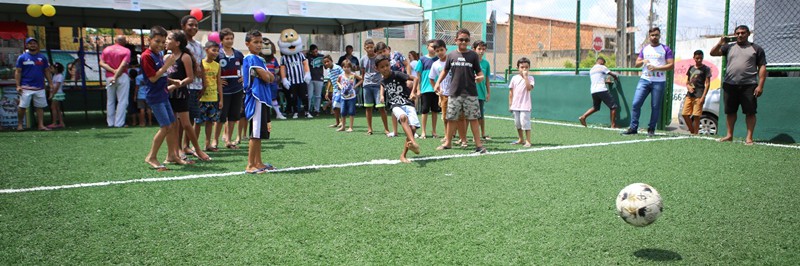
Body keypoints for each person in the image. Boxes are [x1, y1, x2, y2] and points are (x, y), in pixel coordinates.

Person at [710, 25, 766, 145]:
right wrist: (720, 43)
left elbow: (762, 66)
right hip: (730, 84)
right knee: (730, 111)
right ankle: (729, 135)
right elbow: (713, 53)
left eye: (743, 33)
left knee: (750, 112)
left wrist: (760, 85)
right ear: (735, 34)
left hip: (749, 85)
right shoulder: (728, 47)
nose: (740, 35)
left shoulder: (756, 48)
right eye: (738, 33)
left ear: (748, 34)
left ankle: (749, 138)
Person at [434, 29, 486, 153]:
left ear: (469, 41)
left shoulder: (473, 55)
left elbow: (480, 73)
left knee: (473, 119)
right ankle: (448, 143)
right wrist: (437, 83)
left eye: (466, 40)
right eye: (461, 39)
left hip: (471, 93)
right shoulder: (451, 55)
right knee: (451, 118)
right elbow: (445, 70)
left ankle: (478, 145)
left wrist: (480, 78)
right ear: (456, 40)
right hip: (454, 92)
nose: (463, 42)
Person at [165, 30, 210, 162]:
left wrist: (175, 85)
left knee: (186, 124)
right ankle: (175, 151)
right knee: (172, 124)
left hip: (181, 94)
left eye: (169, 39)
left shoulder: (185, 57)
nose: (166, 41)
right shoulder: (167, 57)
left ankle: (198, 150)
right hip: (170, 95)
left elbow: (190, 78)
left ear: (177, 43)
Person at [142, 26, 183, 171]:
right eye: (157, 41)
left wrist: (172, 82)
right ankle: (151, 157)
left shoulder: (158, 54)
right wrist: (167, 65)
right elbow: (152, 78)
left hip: (163, 94)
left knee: (172, 125)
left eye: (162, 42)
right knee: (165, 127)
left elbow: (161, 75)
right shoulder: (146, 56)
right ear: (149, 40)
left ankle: (172, 155)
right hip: (155, 96)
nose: (160, 45)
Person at [621, 27, 674, 137]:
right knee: (636, 103)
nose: (654, 37)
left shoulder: (665, 49)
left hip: (659, 82)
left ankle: (651, 129)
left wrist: (656, 68)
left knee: (655, 106)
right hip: (644, 80)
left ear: (660, 36)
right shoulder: (645, 49)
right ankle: (633, 128)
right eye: (652, 35)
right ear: (649, 36)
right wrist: (643, 61)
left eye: (656, 35)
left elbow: (671, 65)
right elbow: (636, 64)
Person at [242, 29, 276, 174]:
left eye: (260, 42)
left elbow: (271, 78)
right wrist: (266, 75)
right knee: (255, 132)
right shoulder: (251, 59)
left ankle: (258, 161)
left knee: (260, 133)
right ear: (247, 44)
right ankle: (250, 165)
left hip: (262, 98)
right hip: (256, 97)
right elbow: (268, 78)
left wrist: (266, 75)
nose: (259, 45)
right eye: (255, 42)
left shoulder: (259, 59)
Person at [376, 55, 420, 163]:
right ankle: (414, 143)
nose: (385, 68)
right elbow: (382, 88)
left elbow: (415, 78)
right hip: (395, 105)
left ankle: (403, 155)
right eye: (382, 67)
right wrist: (381, 96)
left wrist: (413, 92)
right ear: (377, 69)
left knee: (413, 129)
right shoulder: (382, 81)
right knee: (403, 117)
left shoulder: (397, 74)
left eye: (387, 65)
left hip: (408, 103)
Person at [181, 15, 207, 155]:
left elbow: (202, 65)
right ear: (183, 26)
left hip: (196, 86)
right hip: (185, 85)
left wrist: (204, 83)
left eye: (196, 25)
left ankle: (186, 146)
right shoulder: (180, 44)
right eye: (191, 25)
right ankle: (178, 148)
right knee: (182, 120)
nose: (194, 28)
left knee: (191, 118)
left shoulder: (198, 45)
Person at [215, 28, 245, 149]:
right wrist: (217, 80)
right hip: (223, 91)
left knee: (233, 116)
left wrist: (244, 77)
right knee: (220, 117)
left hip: (237, 89)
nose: (230, 41)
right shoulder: (218, 54)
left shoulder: (238, 54)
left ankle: (228, 140)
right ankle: (215, 141)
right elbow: (211, 68)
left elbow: (246, 67)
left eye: (231, 38)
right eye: (227, 38)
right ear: (221, 40)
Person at [15, 37, 52, 131]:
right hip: (25, 86)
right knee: (22, 106)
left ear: (37, 45)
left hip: (40, 87)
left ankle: (41, 125)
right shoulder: (22, 57)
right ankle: (19, 125)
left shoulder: (42, 57)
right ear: (27, 45)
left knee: (40, 107)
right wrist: (18, 85)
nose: (32, 45)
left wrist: (50, 83)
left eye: (34, 43)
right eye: (30, 43)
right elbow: (18, 72)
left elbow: (46, 71)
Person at [194, 41, 223, 152]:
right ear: (206, 50)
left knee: (210, 122)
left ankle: (207, 144)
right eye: (213, 50)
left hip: (213, 98)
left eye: (217, 50)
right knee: (197, 122)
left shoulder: (217, 65)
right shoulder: (200, 63)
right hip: (201, 98)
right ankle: (195, 145)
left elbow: (219, 82)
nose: (216, 53)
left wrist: (221, 99)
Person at [99, 35, 131, 128]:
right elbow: (123, 65)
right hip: (122, 76)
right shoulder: (126, 51)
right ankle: (119, 123)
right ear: (124, 41)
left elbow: (101, 63)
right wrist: (116, 74)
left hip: (109, 76)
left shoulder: (106, 50)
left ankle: (110, 122)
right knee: (122, 100)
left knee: (110, 100)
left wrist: (113, 72)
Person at [359, 39, 390, 136]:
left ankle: (386, 129)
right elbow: (363, 73)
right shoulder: (362, 59)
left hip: (378, 85)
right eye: (367, 48)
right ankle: (369, 129)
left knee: (381, 107)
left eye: (371, 47)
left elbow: (383, 69)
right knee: (368, 108)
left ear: (374, 48)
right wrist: (362, 82)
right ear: (364, 48)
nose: (370, 49)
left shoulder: (378, 58)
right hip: (367, 85)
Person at [579, 57, 619, 128]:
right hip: (602, 89)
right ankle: (613, 125)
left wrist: (607, 82)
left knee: (596, 107)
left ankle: (583, 117)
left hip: (594, 91)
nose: (604, 64)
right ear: (601, 62)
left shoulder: (591, 70)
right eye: (604, 63)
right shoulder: (602, 67)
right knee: (613, 107)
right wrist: (615, 77)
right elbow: (612, 74)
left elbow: (598, 80)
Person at [415, 39, 441, 139]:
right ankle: (423, 132)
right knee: (425, 110)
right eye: (432, 46)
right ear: (427, 47)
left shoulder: (439, 60)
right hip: (425, 89)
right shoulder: (422, 60)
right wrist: (418, 89)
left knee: (435, 110)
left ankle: (434, 131)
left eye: (435, 47)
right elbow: (418, 76)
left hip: (436, 89)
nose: (434, 49)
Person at [681, 50, 712, 135]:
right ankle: (692, 131)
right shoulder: (691, 68)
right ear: (694, 58)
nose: (699, 60)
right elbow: (687, 82)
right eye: (697, 58)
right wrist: (688, 87)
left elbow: (707, 84)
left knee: (696, 116)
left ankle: (695, 133)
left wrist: (703, 97)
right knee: (684, 114)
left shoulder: (706, 69)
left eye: (701, 58)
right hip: (689, 95)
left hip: (699, 95)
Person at [508, 58, 535, 147]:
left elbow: (529, 88)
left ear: (529, 68)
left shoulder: (530, 78)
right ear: (517, 68)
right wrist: (510, 104)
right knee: (517, 123)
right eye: (522, 67)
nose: (524, 69)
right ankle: (521, 139)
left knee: (525, 123)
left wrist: (526, 77)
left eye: (526, 67)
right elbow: (511, 92)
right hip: (516, 105)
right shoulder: (514, 78)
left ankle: (528, 140)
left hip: (525, 105)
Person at [429, 40, 451, 143]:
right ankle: (447, 135)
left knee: (459, 117)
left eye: (441, 50)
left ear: (446, 49)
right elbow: (431, 78)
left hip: (456, 93)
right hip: (444, 94)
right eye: (437, 51)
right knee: (445, 117)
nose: (440, 52)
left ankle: (461, 137)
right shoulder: (435, 64)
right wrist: (437, 90)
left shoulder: (452, 60)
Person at [260, 37, 286, 119]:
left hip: (272, 82)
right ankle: (264, 115)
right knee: (263, 99)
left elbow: (276, 69)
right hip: (262, 82)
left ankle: (278, 113)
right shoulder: (259, 59)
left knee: (273, 97)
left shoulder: (273, 59)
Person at [473, 40, 492, 140]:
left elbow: (487, 79)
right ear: (474, 49)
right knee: (468, 115)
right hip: (470, 93)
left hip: (480, 93)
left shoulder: (486, 64)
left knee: (480, 115)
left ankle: (483, 133)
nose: (481, 51)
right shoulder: (470, 62)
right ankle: (464, 136)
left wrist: (488, 92)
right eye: (479, 49)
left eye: (483, 49)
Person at [337, 60, 362, 132]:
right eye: (345, 67)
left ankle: (351, 127)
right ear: (342, 67)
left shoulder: (352, 75)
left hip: (351, 96)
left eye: (348, 67)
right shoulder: (341, 75)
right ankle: (343, 126)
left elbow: (361, 79)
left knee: (351, 112)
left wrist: (355, 86)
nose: (346, 68)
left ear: (350, 67)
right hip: (343, 96)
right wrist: (340, 86)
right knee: (343, 112)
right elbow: (337, 81)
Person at [323, 55, 344, 128]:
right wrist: (327, 91)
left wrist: (341, 85)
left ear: (331, 61)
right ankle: (337, 122)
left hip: (340, 89)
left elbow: (343, 76)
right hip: (335, 90)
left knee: (338, 105)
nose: (326, 63)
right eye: (325, 62)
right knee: (334, 107)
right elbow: (329, 80)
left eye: (328, 61)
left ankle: (342, 121)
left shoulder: (337, 68)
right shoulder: (328, 70)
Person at [307, 44, 325, 116]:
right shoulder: (308, 57)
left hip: (319, 78)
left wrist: (324, 63)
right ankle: (307, 110)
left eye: (316, 51)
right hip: (310, 78)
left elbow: (326, 67)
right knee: (309, 96)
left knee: (318, 96)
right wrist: (308, 52)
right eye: (313, 52)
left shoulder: (321, 57)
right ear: (311, 52)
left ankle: (317, 110)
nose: (315, 53)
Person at [47, 62, 66, 129]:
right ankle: (61, 122)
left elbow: (57, 87)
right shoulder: (55, 75)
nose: (51, 69)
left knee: (53, 108)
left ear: (56, 69)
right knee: (57, 108)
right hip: (55, 93)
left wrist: (52, 94)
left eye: (52, 68)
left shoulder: (60, 76)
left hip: (57, 94)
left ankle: (54, 122)